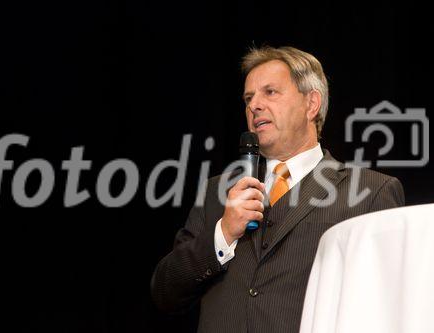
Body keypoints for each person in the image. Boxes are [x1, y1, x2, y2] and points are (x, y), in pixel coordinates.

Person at [150, 45, 405, 333]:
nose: (254, 105)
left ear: (312, 104)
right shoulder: (217, 191)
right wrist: (223, 234)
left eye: (270, 92)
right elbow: (165, 292)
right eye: (248, 98)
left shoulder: (371, 192)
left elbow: (388, 304)